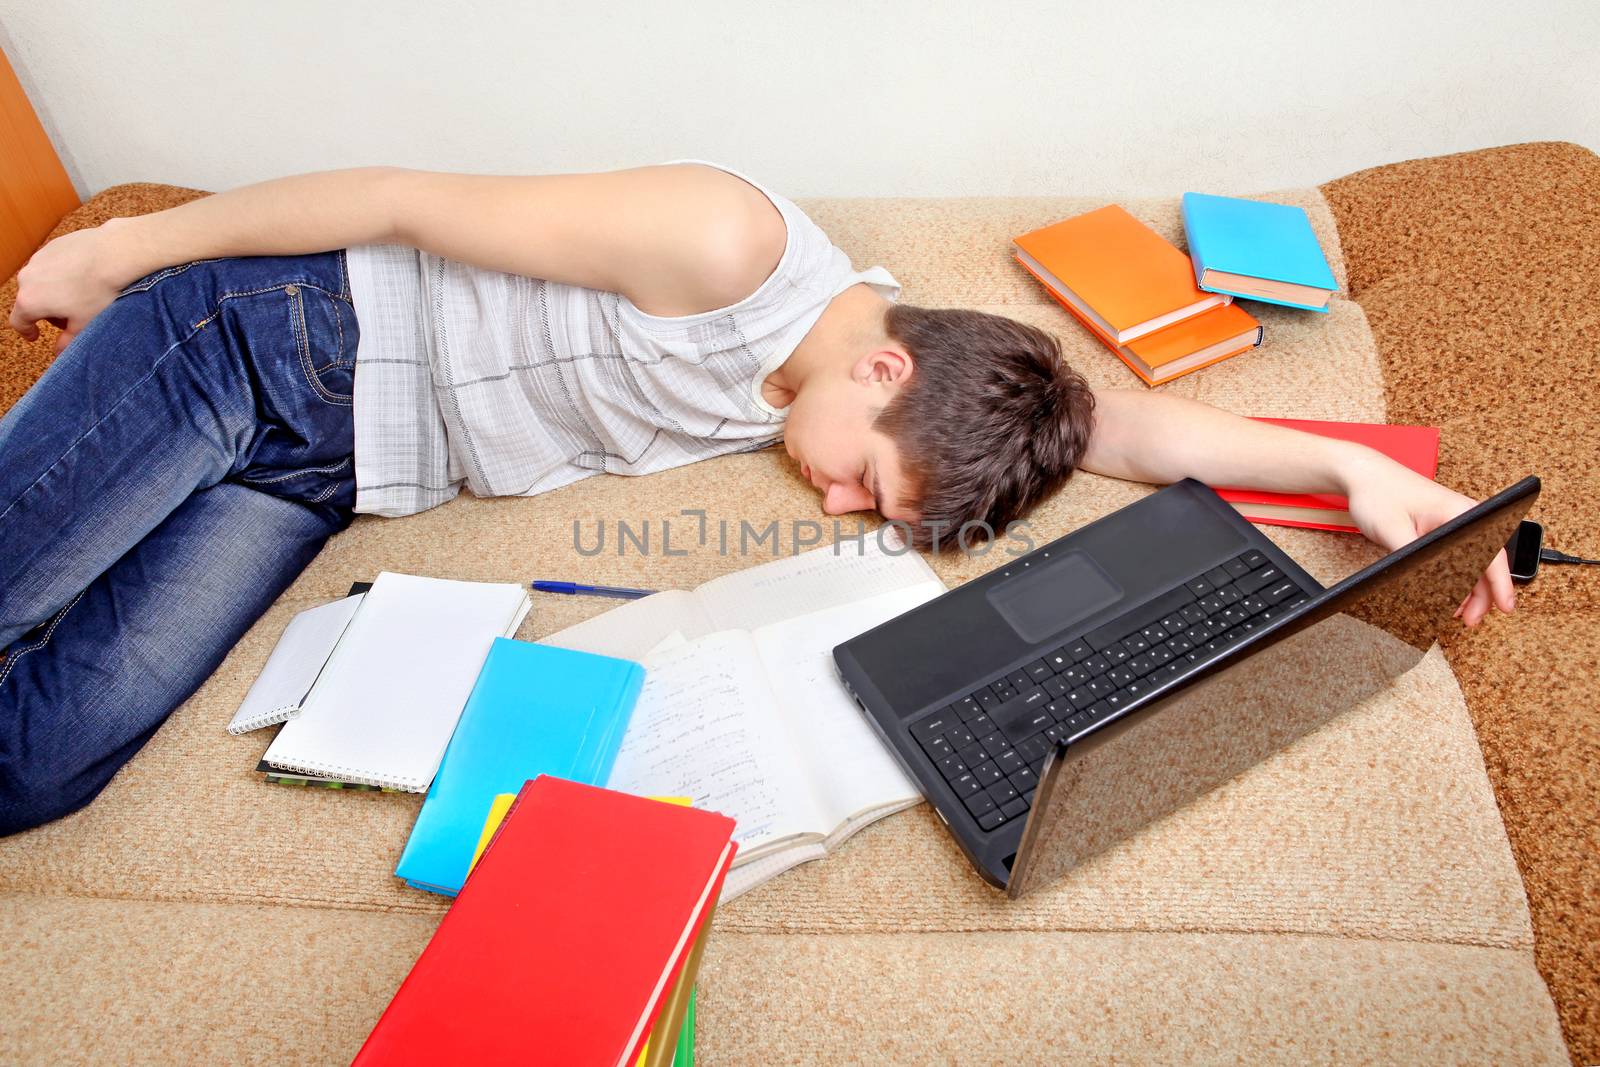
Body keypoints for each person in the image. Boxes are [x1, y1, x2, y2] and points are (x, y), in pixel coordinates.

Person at [0, 159, 1513, 834]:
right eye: (870, 484)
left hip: (329, 466)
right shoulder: (726, 245)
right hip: (250, 341)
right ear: (883, 373)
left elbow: (1122, 433)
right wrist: (119, 252)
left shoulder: (903, 390)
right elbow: (398, 197)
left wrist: (1354, 473)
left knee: (42, 770)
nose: (844, 506)